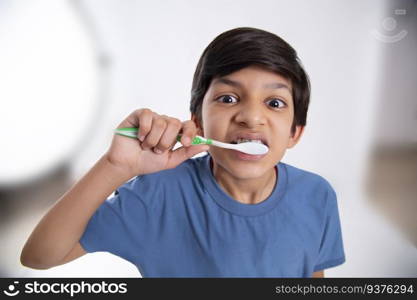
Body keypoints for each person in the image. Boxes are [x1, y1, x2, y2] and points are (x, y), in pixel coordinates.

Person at [21, 27, 345, 277]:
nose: (251, 116)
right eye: (228, 98)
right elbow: (39, 256)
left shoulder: (317, 195)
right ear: (198, 124)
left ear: (294, 133)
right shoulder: (157, 194)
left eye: (274, 103)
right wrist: (115, 165)